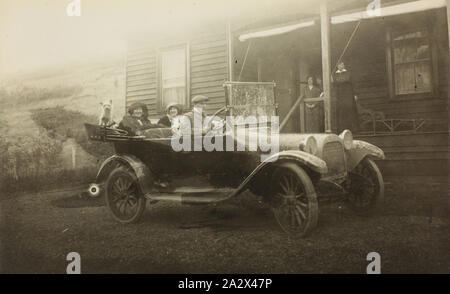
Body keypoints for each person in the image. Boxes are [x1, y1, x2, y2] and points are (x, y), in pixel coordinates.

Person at [332, 61, 359, 133]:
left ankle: (353, 129)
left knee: (350, 110)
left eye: (342, 64)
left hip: (348, 94)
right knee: (341, 112)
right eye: (339, 65)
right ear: (337, 66)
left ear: (344, 65)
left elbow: (352, 83)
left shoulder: (348, 73)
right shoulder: (334, 75)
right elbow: (335, 83)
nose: (341, 66)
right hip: (340, 95)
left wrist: (355, 94)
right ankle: (342, 130)